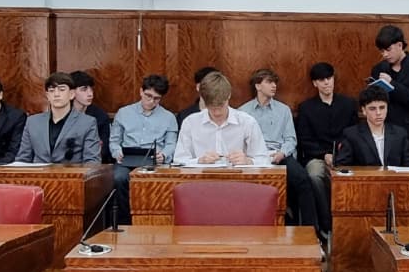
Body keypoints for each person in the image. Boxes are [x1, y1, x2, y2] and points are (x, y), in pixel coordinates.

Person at [239, 68, 323, 234]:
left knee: (303, 180)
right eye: (269, 82)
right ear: (258, 86)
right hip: (254, 157)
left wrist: (282, 153)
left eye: (275, 82)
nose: (274, 86)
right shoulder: (243, 112)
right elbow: (240, 142)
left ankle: (310, 232)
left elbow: (291, 139)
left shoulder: (283, 110)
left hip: (280, 155)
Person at [295, 62, 359, 233]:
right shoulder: (306, 108)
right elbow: (304, 140)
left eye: (329, 78)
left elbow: (354, 134)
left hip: (345, 156)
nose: (326, 82)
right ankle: (326, 224)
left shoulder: (348, 104)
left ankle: (348, 227)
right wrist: (325, 155)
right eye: (321, 80)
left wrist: (341, 155)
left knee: (353, 178)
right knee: (314, 175)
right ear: (315, 83)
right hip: (317, 157)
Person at [109, 74, 178, 224]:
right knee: (118, 178)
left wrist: (164, 155)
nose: (151, 101)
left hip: (155, 161)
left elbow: (171, 144)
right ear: (141, 91)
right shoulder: (123, 113)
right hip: (127, 159)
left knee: (161, 180)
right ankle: (124, 221)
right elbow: (114, 141)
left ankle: (153, 221)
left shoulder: (169, 117)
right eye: (148, 96)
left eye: (156, 98)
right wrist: (116, 152)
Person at [174, 71, 268, 165]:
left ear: (229, 95)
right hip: (201, 174)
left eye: (221, 106)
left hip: (238, 174)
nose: (217, 113)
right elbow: (179, 161)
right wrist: (200, 161)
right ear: (203, 99)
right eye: (211, 107)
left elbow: (264, 160)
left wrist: (248, 161)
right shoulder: (190, 123)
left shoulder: (247, 122)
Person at [370, 25, 409, 164]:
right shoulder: (378, 69)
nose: (384, 55)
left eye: (388, 50)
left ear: (400, 45)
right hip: (386, 133)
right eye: (382, 51)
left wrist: (392, 85)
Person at [16, 72, 101, 164]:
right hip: (39, 172)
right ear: (47, 96)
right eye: (52, 90)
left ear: (72, 94)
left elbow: (92, 161)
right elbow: (23, 159)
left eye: (62, 90)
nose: (56, 94)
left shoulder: (87, 123)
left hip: (71, 172)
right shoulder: (33, 122)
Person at [335, 85, 409, 167]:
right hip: (364, 177)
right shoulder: (352, 134)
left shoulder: (400, 133)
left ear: (387, 108)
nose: (378, 113)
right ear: (364, 110)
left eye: (382, 108)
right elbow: (341, 167)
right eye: (372, 109)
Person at [70, 70, 112, 163]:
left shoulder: (100, 116)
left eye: (91, 89)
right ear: (72, 92)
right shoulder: (63, 114)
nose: (90, 94)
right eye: (84, 89)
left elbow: (104, 148)